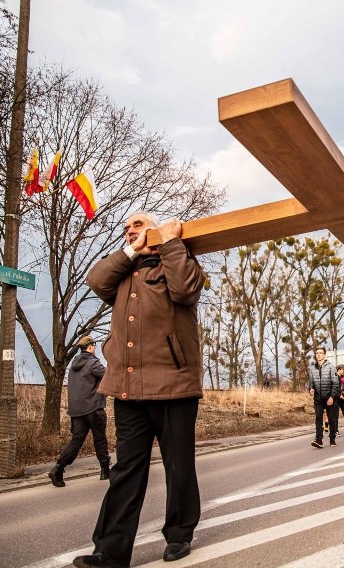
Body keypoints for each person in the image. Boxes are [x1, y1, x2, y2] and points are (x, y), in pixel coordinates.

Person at [75, 212, 206, 568]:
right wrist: (131, 251)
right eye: (126, 228)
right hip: (129, 390)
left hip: (174, 386)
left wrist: (171, 240)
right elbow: (96, 279)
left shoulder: (177, 260)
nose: (130, 230)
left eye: (137, 224)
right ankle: (110, 552)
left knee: (179, 466)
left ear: (157, 227)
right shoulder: (123, 274)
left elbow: (186, 290)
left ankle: (179, 534)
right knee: (126, 471)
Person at [48, 335, 110, 488]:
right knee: (100, 439)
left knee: (76, 441)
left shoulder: (74, 366)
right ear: (90, 347)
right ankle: (105, 470)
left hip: (77, 411)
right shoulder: (93, 363)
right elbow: (109, 376)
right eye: (94, 345)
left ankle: (58, 468)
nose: (95, 348)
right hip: (94, 408)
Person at [309, 346, 340, 448]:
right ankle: (319, 440)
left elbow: (336, 383)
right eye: (317, 353)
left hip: (329, 397)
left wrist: (332, 397)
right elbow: (310, 383)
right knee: (318, 418)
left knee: (331, 419)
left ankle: (332, 438)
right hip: (318, 398)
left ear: (325, 355)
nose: (318, 354)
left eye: (321, 353)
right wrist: (310, 389)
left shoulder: (331, 367)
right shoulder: (312, 368)